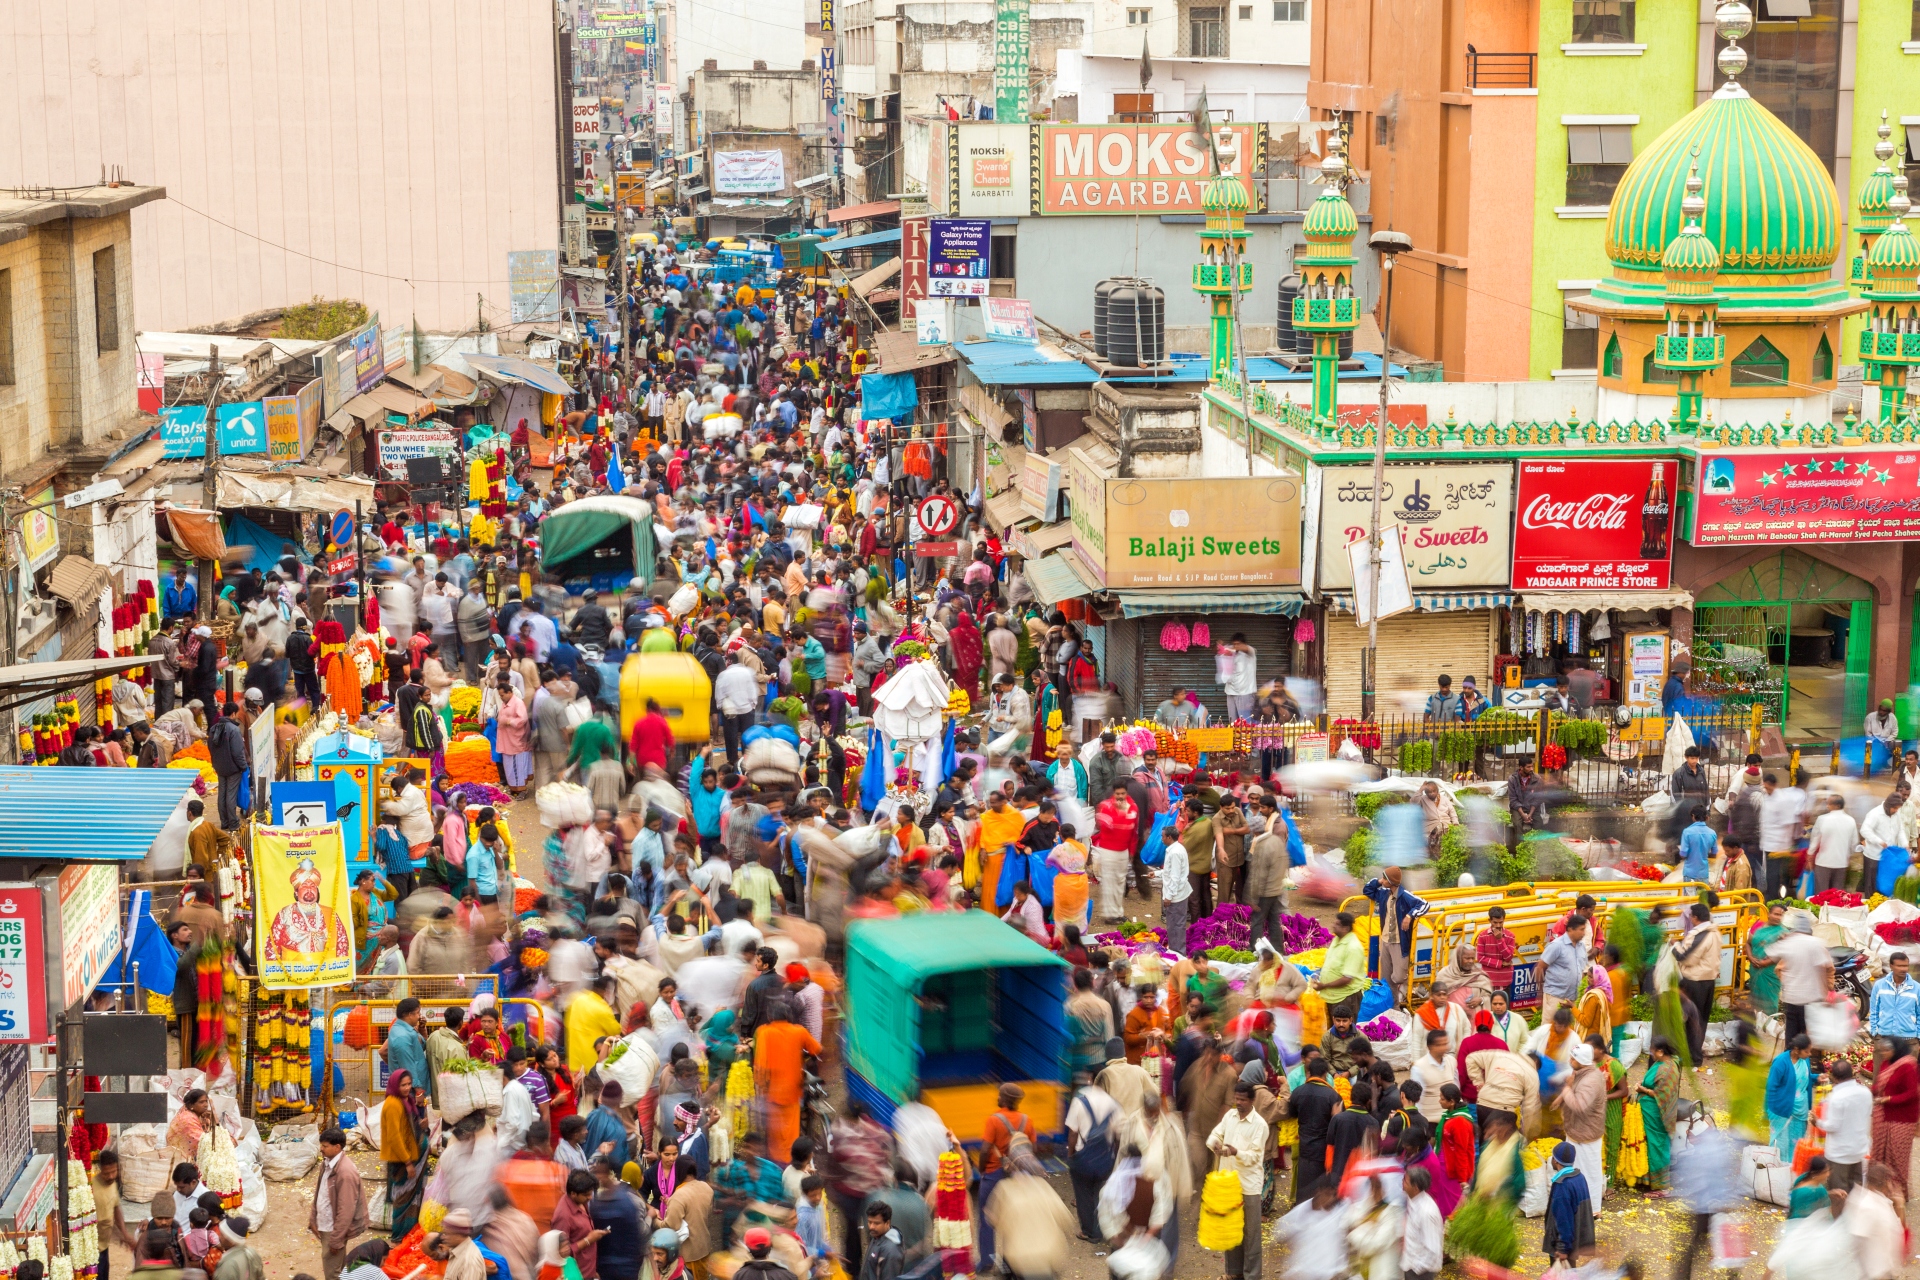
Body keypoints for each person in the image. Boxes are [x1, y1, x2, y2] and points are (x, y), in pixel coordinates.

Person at [1207, 1081, 1270, 1280]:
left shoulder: (1260, 1125)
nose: (1238, 1102)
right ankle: (1233, 1272)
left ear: (1252, 1100)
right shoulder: (1230, 1116)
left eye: (1242, 1099)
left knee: (1251, 1234)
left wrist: (1236, 1152)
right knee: (1231, 1229)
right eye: (1236, 1098)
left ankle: (1252, 1275)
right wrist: (1215, 1145)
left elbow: (1254, 1157)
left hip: (1249, 1185)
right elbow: (1215, 1134)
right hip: (1228, 1183)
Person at [1359, 866, 1426, 1008]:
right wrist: (1378, 881)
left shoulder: (1405, 896)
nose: (1382, 881)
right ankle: (1394, 1007)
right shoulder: (1383, 893)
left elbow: (1424, 904)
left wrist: (1409, 915)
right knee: (1386, 978)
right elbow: (1367, 890)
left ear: (1392, 881)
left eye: (1385, 878)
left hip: (1399, 942)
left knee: (1399, 977)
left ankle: (1404, 991)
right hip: (1385, 941)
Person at [309, 1128, 368, 1280]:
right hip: (327, 1223)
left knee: (332, 1272)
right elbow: (320, 1192)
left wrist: (336, 1239)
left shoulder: (345, 1172)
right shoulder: (327, 1163)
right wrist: (313, 1217)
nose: (321, 1149)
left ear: (337, 1147)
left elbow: (346, 1210)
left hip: (333, 1228)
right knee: (337, 1268)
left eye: (325, 1146)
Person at [1771, 915, 1835, 1045]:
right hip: (1812, 1000)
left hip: (1792, 999)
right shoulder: (1817, 944)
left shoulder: (1790, 945)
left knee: (1791, 1037)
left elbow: (1778, 968)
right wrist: (1828, 989)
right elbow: (1828, 968)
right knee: (1809, 1038)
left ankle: (1790, 1060)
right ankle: (1807, 1061)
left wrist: (1787, 983)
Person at [1272, 1179, 1348, 1280]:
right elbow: (1280, 1235)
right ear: (1319, 1191)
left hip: (1332, 1273)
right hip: (1307, 1273)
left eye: (1333, 1195)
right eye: (1327, 1194)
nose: (1330, 1199)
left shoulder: (1341, 1212)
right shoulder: (1302, 1211)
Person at [1541, 1142, 1592, 1267]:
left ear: (1556, 1160)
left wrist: (1562, 1247)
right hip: (1574, 1238)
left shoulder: (1562, 1185)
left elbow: (1563, 1219)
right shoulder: (1579, 1177)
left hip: (1563, 1242)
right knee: (1570, 1272)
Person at [1809, 793, 1861, 895]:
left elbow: (1815, 838)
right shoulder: (1851, 821)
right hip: (1841, 863)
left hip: (1823, 862)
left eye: (1829, 804)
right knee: (1837, 895)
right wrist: (1847, 855)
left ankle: (1820, 910)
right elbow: (1854, 843)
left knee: (1821, 894)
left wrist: (1810, 853)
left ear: (1836, 806)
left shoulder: (1822, 819)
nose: (1827, 806)